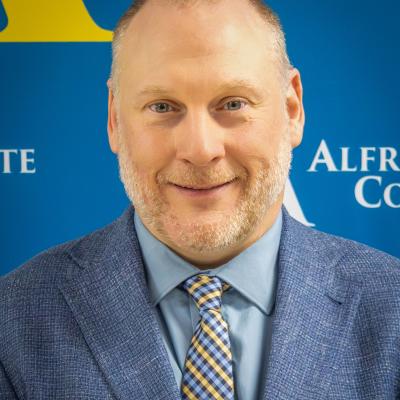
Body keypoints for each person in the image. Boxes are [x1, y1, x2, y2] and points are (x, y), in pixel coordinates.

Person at [1, 0, 399, 399]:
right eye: (162, 106)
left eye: (233, 103)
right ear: (115, 120)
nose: (200, 149)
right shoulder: (12, 322)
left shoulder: (392, 309)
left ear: (291, 110)